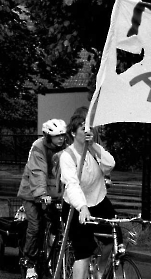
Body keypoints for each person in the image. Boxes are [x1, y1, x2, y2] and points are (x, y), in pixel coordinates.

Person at [59, 114, 120, 279]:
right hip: (76, 206)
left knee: (114, 238)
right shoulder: (67, 156)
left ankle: (99, 270)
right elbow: (72, 185)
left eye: (89, 127)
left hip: (98, 200)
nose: (87, 131)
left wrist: (93, 145)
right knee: (84, 251)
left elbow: (110, 164)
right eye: (82, 128)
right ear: (73, 133)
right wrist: (82, 207)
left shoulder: (92, 150)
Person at [17, 119, 67, 279]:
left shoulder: (66, 148)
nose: (61, 138)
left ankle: (54, 257)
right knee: (36, 226)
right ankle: (29, 263)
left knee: (60, 224)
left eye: (63, 135)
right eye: (57, 136)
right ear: (48, 136)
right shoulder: (38, 147)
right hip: (32, 193)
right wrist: (41, 194)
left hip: (52, 194)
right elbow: (38, 172)